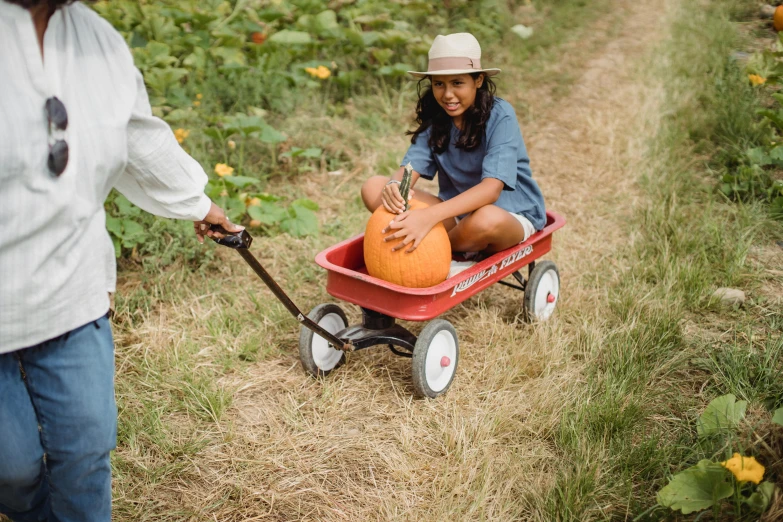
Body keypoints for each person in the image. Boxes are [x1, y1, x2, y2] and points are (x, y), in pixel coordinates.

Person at [0, 0, 242, 520]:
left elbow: (136, 135)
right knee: (12, 469)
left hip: (73, 290)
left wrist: (199, 204)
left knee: (87, 448)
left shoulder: (97, 39)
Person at [361, 32, 546, 274]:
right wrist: (396, 186)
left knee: (485, 219)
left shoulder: (501, 115)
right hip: (456, 214)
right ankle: (436, 244)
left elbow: (491, 189)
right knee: (374, 187)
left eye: (457, 83)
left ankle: (434, 249)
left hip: (509, 214)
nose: (447, 95)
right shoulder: (437, 119)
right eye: (439, 84)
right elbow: (410, 169)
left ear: (478, 80)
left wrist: (428, 218)